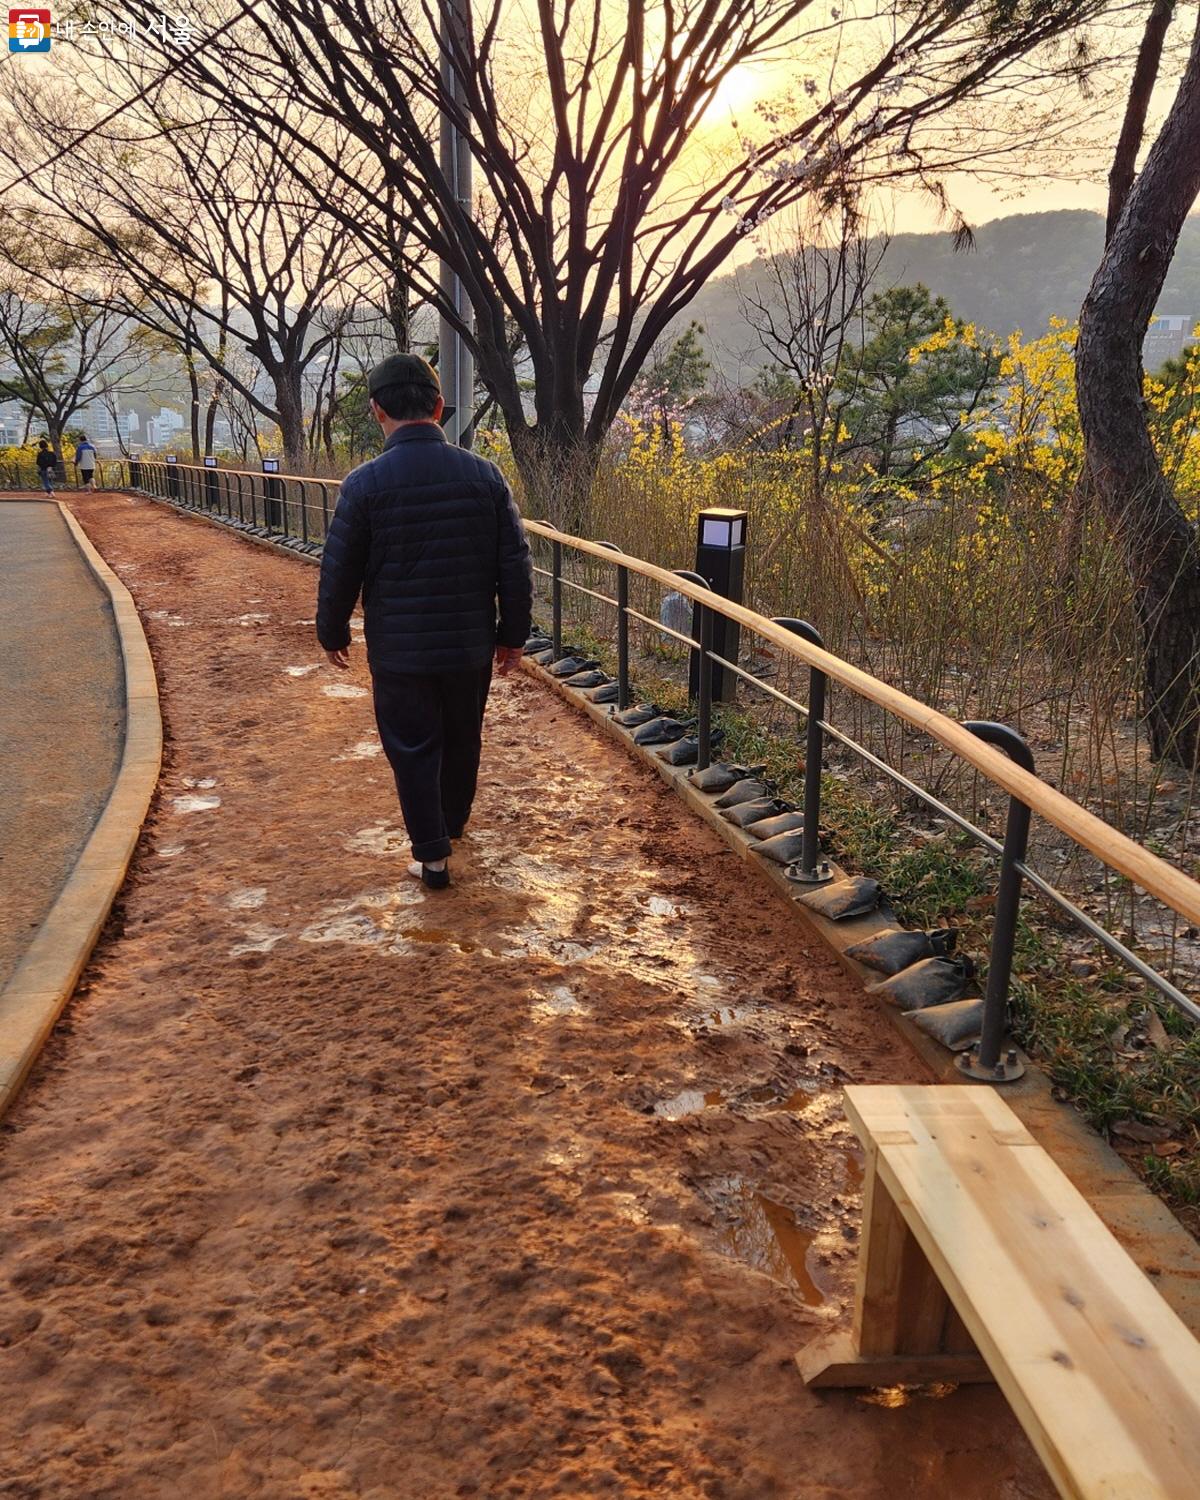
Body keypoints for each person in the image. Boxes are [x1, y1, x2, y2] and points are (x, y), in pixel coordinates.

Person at [317, 353, 533, 890]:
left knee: (412, 745)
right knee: (463, 736)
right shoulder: (485, 476)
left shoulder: (363, 485)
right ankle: (452, 823)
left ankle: (432, 853)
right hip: (468, 645)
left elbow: (340, 566)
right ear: (438, 406)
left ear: (376, 411)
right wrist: (513, 637)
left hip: (400, 652)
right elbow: (515, 565)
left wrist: (333, 630)